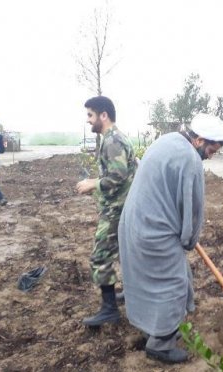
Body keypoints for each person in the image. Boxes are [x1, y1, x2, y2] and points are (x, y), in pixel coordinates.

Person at [118, 113, 223, 364]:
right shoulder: (190, 159)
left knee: (149, 281)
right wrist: (189, 238)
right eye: (212, 148)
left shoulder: (166, 140)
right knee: (173, 285)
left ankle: (153, 325)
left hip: (133, 223)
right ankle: (160, 344)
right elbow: (192, 207)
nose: (212, 154)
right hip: (155, 232)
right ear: (200, 140)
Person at [76, 96, 136, 326]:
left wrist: (94, 183)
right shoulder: (112, 139)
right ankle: (130, 295)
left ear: (104, 115)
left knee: (99, 257)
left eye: (90, 115)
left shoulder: (113, 141)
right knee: (125, 256)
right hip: (118, 208)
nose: (88, 120)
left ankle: (109, 309)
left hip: (116, 210)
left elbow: (117, 176)